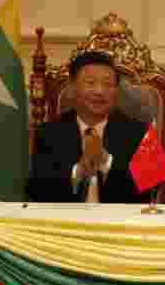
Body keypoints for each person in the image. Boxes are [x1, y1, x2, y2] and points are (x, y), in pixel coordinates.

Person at [26, 50, 152, 203]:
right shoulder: (48, 133)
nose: (99, 92)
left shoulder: (141, 132)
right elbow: (36, 190)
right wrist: (78, 172)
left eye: (107, 84)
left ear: (117, 90)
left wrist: (106, 161)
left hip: (120, 223)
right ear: (72, 88)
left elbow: (152, 189)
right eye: (90, 83)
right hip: (65, 223)